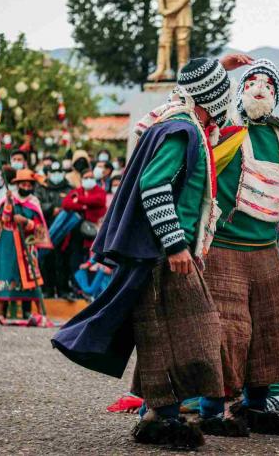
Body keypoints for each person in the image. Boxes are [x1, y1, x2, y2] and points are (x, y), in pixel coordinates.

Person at [53, 55, 249, 450]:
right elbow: (154, 188)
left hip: (162, 250)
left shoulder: (181, 120)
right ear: (211, 99)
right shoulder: (182, 132)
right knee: (187, 333)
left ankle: (168, 414)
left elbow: (187, 85)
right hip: (163, 253)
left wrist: (218, 67)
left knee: (171, 333)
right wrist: (176, 244)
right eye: (222, 95)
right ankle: (166, 417)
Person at [196, 58, 279, 437]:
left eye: (268, 82)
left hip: (267, 249)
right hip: (224, 248)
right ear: (240, 89)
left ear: (276, 95)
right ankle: (212, 411)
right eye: (252, 79)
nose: (260, 85)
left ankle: (257, 407)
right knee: (227, 331)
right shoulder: (224, 132)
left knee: (271, 330)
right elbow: (197, 160)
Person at [0, 169, 53, 322]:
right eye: (23, 184)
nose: (26, 187)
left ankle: (29, 312)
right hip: (8, 246)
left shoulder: (34, 202)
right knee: (5, 275)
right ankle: (0, 312)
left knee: (28, 278)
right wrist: (9, 204)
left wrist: (26, 222)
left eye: (29, 185)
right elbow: (4, 219)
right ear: (17, 184)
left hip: (27, 246)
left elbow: (39, 227)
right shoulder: (8, 199)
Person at [36, 162, 74, 299]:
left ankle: (63, 289)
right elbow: (37, 203)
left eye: (59, 172)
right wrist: (52, 209)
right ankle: (47, 289)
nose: (56, 175)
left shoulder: (70, 188)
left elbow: (75, 203)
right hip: (47, 229)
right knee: (46, 261)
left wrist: (64, 211)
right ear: (48, 174)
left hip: (65, 232)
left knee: (63, 262)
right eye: (53, 172)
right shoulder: (41, 189)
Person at [61, 169, 108, 275]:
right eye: (86, 178)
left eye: (91, 177)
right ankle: (77, 286)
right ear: (82, 179)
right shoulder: (77, 191)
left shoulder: (100, 191)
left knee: (92, 259)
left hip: (95, 231)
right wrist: (84, 206)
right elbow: (66, 204)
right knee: (76, 257)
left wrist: (78, 200)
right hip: (77, 232)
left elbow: (99, 201)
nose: (89, 180)